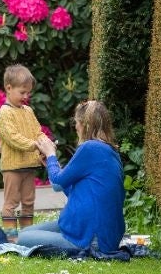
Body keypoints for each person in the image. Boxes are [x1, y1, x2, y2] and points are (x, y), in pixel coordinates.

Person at [17, 100, 126, 253]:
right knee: (25, 233)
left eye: (77, 123)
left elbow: (57, 180)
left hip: (91, 239)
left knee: (23, 238)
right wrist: (50, 162)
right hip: (95, 233)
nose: (75, 127)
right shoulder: (109, 151)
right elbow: (63, 185)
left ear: (85, 125)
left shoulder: (90, 148)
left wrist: (51, 154)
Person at [0, 64, 49, 241]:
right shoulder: (4, 113)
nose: (26, 97)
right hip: (12, 167)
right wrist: (35, 145)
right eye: (22, 92)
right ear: (8, 88)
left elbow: (37, 131)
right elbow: (12, 137)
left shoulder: (28, 111)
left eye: (28, 93)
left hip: (29, 166)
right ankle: (12, 239)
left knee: (28, 202)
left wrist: (44, 143)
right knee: (11, 203)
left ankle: (28, 236)